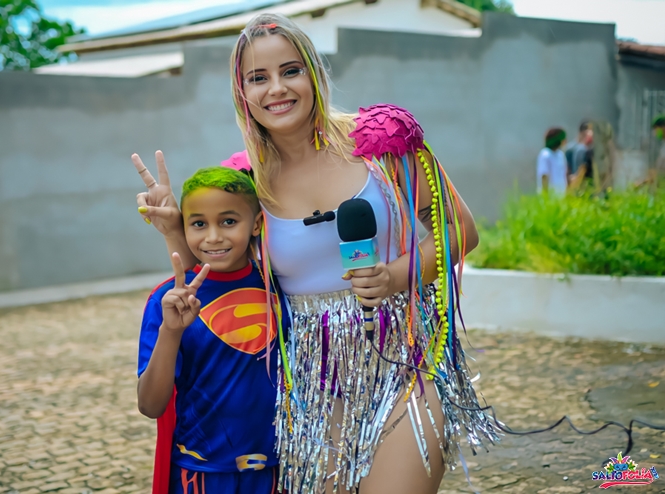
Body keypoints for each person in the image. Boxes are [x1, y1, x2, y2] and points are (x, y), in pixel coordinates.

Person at [132, 13, 497, 494]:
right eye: (258, 78)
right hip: (309, 382)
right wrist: (172, 230)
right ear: (242, 93)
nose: (277, 89)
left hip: (403, 358)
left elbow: (460, 230)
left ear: (314, 73)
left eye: (290, 70)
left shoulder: (381, 142)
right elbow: (218, 274)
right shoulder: (246, 181)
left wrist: (394, 276)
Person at [136, 166, 285, 494]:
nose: (213, 237)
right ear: (184, 227)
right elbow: (150, 405)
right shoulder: (168, 300)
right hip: (201, 474)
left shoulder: (282, 287)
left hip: (283, 469)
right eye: (199, 224)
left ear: (256, 224)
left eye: (228, 221)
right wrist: (170, 331)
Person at [537, 127, 568, 194]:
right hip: (550, 196)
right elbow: (544, 176)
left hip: (561, 195)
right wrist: (545, 196)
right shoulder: (545, 154)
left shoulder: (560, 155)